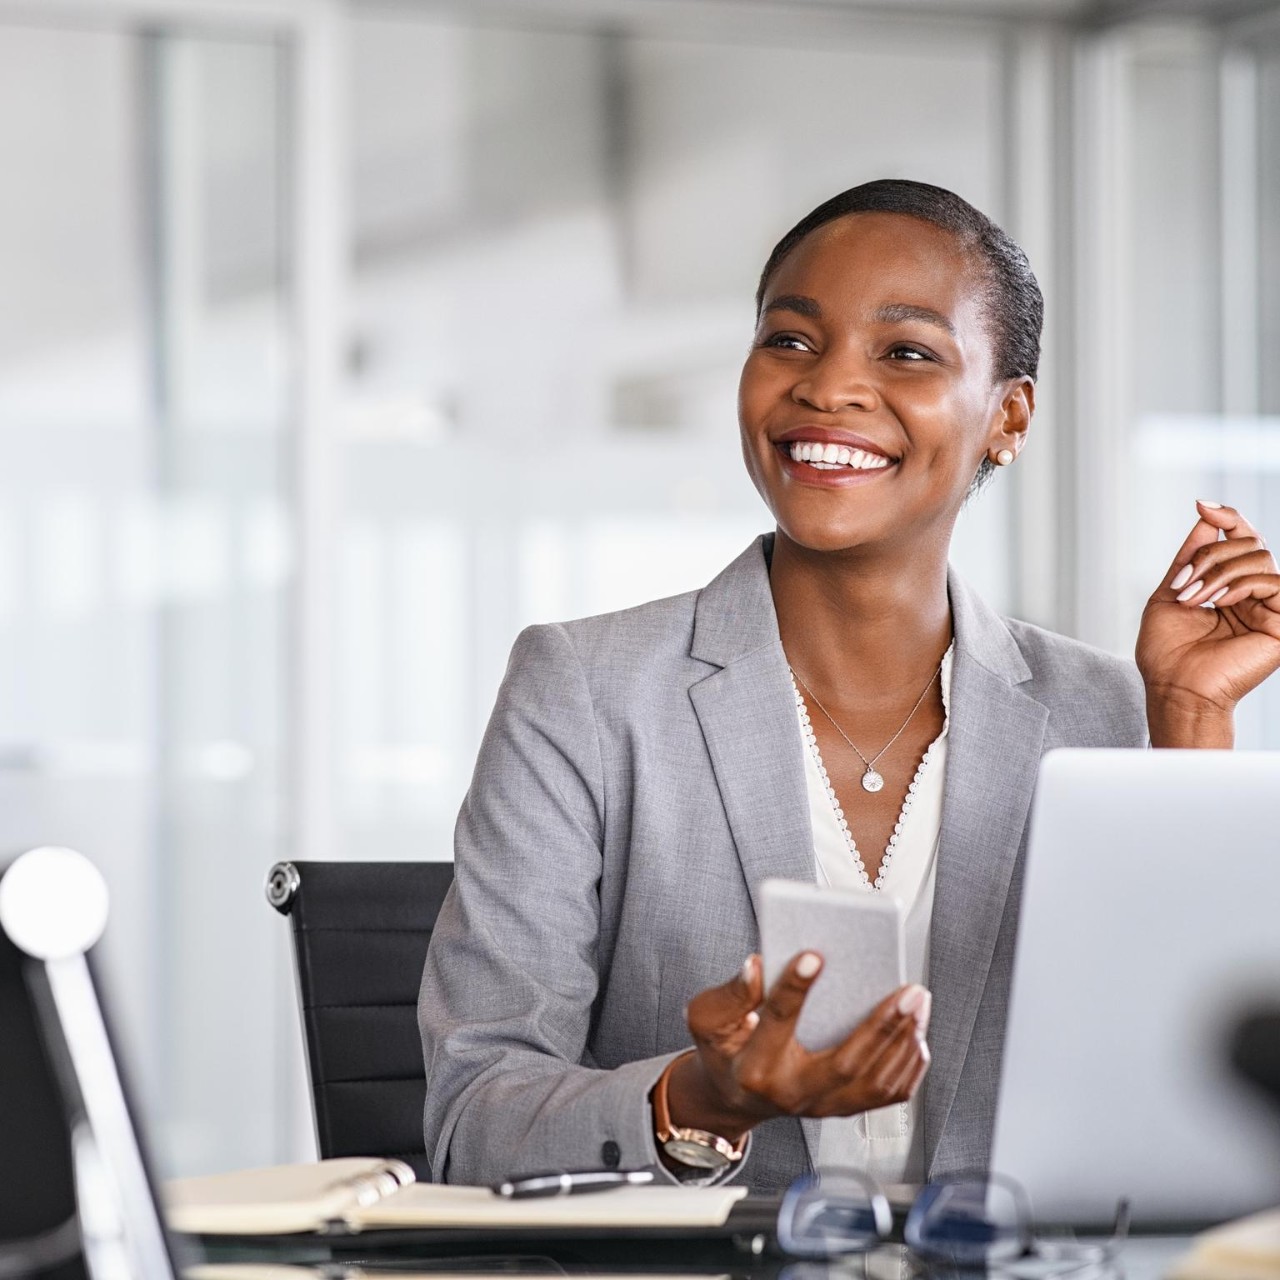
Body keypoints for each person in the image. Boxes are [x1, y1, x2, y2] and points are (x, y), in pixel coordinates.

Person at [418, 179, 1280, 1191]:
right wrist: (702, 1097)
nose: (827, 388)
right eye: (788, 339)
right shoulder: (584, 691)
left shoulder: (1106, 713)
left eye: (905, 351)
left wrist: (1186, 716)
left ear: (1007, 416)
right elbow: (471, 1119)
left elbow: (1203, 1102)